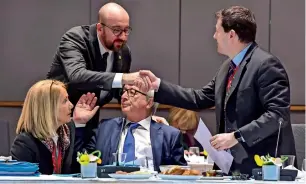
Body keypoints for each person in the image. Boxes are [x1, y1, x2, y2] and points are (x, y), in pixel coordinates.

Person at [135, 5, 296, 175]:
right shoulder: (227, 67)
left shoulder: (266, 65)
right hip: (234, 167)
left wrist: (236, 136)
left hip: (265, 166)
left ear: (231, 34)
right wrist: (158, 85)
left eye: (217, 31)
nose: (214, 36)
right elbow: (199, 98)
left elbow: (277, 115)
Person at [46, 2, 139, 145]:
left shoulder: (123, 51)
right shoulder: (75, 38)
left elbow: (120, 90)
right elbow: (77, 75)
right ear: (100, 28)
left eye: (127, 30)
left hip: (88, 122)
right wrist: (123, 78)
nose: (123, 37)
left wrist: (145, 119)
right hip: (55, 122)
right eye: (116, 30)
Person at [75, 84, 187, 171]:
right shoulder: (106, 128)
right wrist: (79, 124)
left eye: (132, 92)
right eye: (123, 91)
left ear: (149, 102)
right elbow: (80, 162)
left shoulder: (169, 135)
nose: (123, 97)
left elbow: (180, 175)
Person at [10, 80, 99, 174]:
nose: (71, 105)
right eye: (65, 101)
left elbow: (78, 169)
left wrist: (79, 123)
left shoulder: (66, 133)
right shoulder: (24, 143)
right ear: (48, 108)